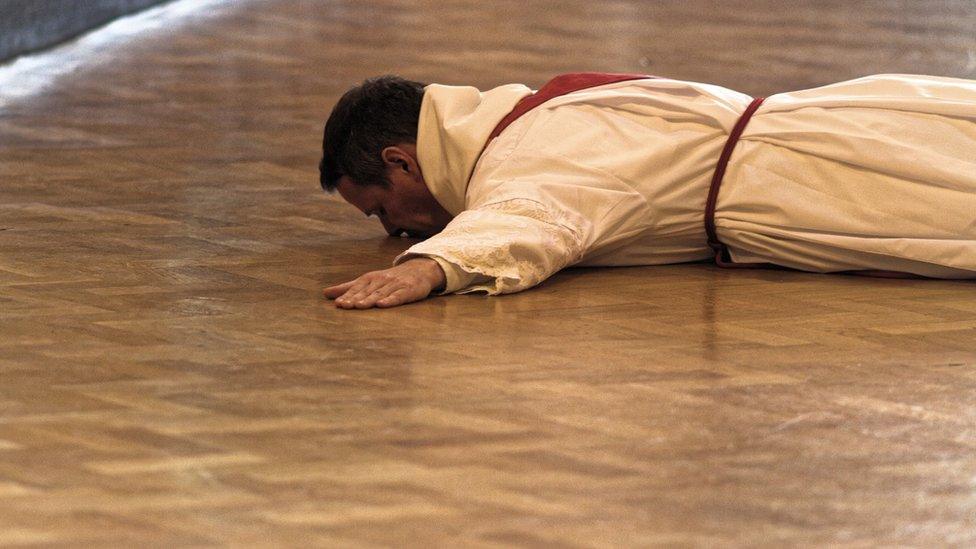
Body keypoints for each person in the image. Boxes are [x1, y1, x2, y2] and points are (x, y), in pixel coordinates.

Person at [319, 72, 976, 309]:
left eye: (384, 213)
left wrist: (435, 265)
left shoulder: (525, 149)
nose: (398, 232)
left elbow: (537, 214)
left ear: (402, 161)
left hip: (819, 177)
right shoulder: (527, 113)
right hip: (845, 126)